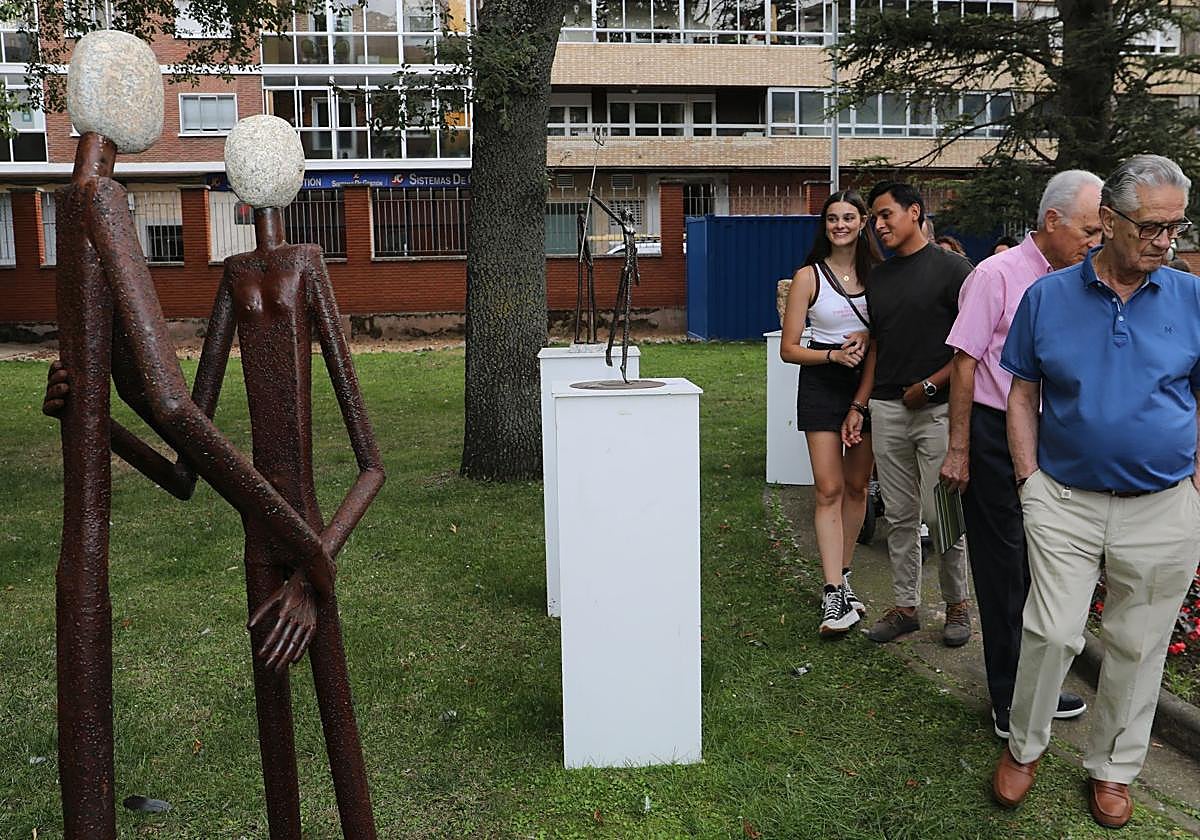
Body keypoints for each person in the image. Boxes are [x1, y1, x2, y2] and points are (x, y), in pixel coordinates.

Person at [43, 31, 337, 840]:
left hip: (296, 527)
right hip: (271, 534)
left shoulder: (86, 205)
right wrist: (92, 416)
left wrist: (314, 561)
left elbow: (173, 411)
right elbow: (179, 441)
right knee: (282, 743)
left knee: (336, 744)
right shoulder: (100, 209)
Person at [992, 155, 1200, 830]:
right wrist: (1028, 479)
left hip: (1164, 503)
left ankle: (1113, 770)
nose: (1165, 241)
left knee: (1138, 647)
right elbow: (1022, 392)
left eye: (1176, 226)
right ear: (1107, 221)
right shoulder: (1046, 298)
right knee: (1051, 632)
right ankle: (1024, 746)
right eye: (1151, 226)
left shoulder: (1191, 296)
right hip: (1065, 500)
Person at [939, 170, 1102, 740]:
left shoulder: (1083, 279)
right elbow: (963, 361)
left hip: (1053, 435)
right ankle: (1009, 697)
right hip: (990, 432)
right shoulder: (997, 274)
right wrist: (958, 448)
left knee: (1048, 567)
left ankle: (1042, 683)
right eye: (1088, 228)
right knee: (1004, 569)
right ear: (1052, 221)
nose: (1096, 240)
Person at [844, 182, 972, 646]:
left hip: (937, 410)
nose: (877, 226)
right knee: (899, 515)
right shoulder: (879, 277)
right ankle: (905, 607)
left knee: (943, 517)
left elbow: (973, 348)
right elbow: (878, 341)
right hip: (888, 408)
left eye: (885, 215)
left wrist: (932, 384)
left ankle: (958, 607)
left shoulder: (954, 270)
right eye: (874, 218)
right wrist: (863, 402)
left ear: (914, 212)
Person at [780, 191, 877, 635]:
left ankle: (845, 575)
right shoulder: (808, 276)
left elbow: (887, 331)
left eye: (849, 217)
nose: (840, 225)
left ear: (863, 223)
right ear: (825, 225)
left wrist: (864, 339)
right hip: (822, 381)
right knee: (828, 488)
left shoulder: (879, 275)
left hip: (867, 384)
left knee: (858, 487)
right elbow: (789, 349)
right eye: (833, 218)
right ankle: (832, 591)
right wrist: (832, 356)